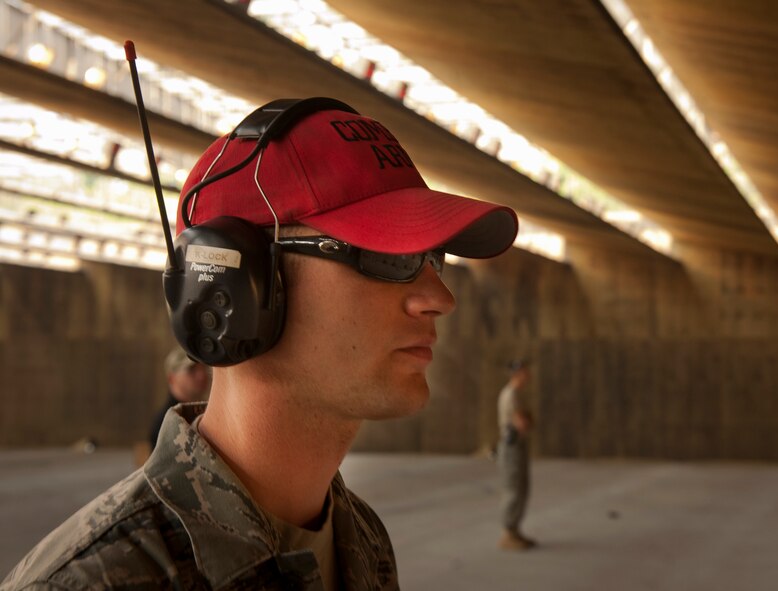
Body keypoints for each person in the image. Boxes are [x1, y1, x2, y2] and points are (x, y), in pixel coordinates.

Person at [2, 98, 517, 590]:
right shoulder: (91, 582)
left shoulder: (362, 539)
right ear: (237, 285)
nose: (440, 298)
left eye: (433, 259)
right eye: (391, 257)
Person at [496, 359, 536, 550]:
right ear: (517, 374)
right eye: (525, 372)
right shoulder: (510, 394)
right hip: (511, 446)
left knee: (521, 487)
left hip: (517, 445)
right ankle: (507, 533)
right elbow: (522, 422)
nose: (528, 375)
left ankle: (514, 530)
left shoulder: (516, 394)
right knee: (513, 488)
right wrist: (527, 420)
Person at [148, 347, 211, 452]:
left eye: (203, 368)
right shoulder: (166, 423)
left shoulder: (204, 412)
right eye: (192, 370)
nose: (202, 375)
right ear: (172, 378)